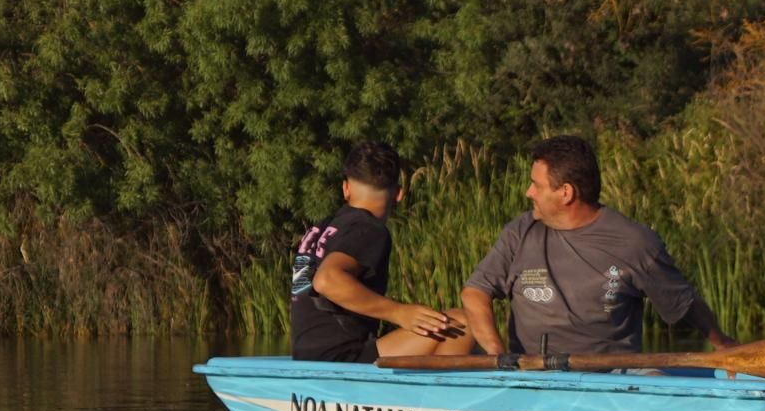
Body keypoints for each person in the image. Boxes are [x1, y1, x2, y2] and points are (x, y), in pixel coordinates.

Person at [462, 134, 736, 356]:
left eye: (537, 185)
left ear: (566, 193)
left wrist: (722, 343)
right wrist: (498, 355)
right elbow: (475, 293)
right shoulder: (520, 231)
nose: (528, 192)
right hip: (531, 375)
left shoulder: (635, 243)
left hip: (610, 377)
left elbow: (683, 303)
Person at [291, 141, 474, 363]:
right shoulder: (369, 229)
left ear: (345, 188)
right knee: (464, 323)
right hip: (342, 358)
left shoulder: (320, 230)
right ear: (398, 194)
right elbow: (326, 281)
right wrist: (398, 313)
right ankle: (433, 397)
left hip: (305, 355)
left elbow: (302, 287)